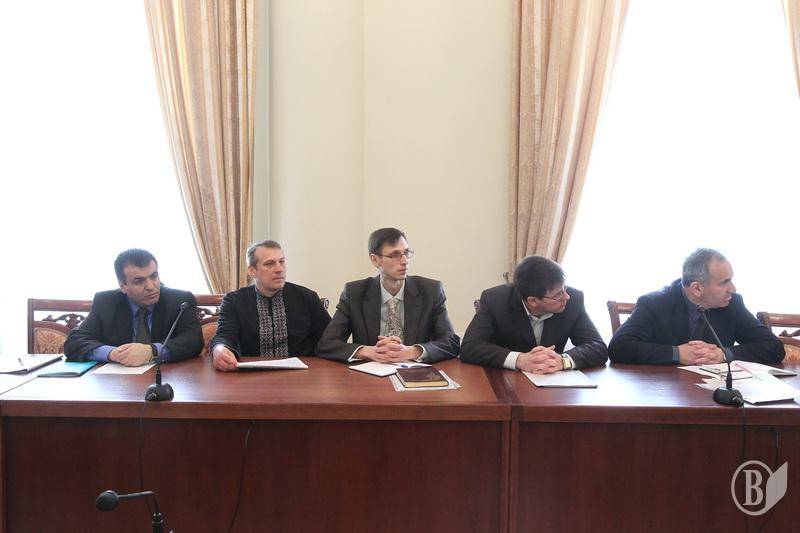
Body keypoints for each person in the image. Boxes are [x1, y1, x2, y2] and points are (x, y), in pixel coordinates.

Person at [608, 248, 785, 365]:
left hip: (714, 396)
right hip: (665, 395)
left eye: (731, 279)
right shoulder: (655, 303)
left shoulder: (732, 304)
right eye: (724, 282)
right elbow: (619, 348)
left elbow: (774, 347)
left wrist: (723, 354)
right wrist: (677, 353)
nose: (733, 288)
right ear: (697, 288)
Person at [317, 227, 460, 363]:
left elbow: (451, 342)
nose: (404, 261)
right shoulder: (355, 293)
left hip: (415, 373)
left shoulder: (430, 291)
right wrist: (369, 351)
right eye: (395, 255)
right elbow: (327, 343)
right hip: (369, 373)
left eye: (406, 253)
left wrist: (412, 351)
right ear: (375, 260)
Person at [460, 255, 607, 373]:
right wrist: (519, 359)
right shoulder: (495, 300)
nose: (566, 297)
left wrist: (563, 361)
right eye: (558, 294)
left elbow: (597, 347)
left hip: (553, 385)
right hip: (504, 383)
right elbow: (469, 347)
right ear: (533, 301)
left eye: (565, 288)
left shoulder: (573, 300)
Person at [65, 248, 202, 365]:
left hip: (168, 378)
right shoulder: (106, 302)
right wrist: (112, 353)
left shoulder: (180, 301)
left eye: (154, 276)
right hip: (118, 382)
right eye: (139, 281)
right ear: (123, 286)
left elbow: (193, 341)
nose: (150, 286)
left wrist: (152, 351)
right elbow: (74, 342)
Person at [211, 240, 331, 371]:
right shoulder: (234, 301)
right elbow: (225, 335)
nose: (279, 269)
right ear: (252, 271)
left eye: (282, 261)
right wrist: (220, 349)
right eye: (269, 263)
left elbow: (329, 338)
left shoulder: (307, 297)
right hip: (250, 376)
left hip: (302, 375)